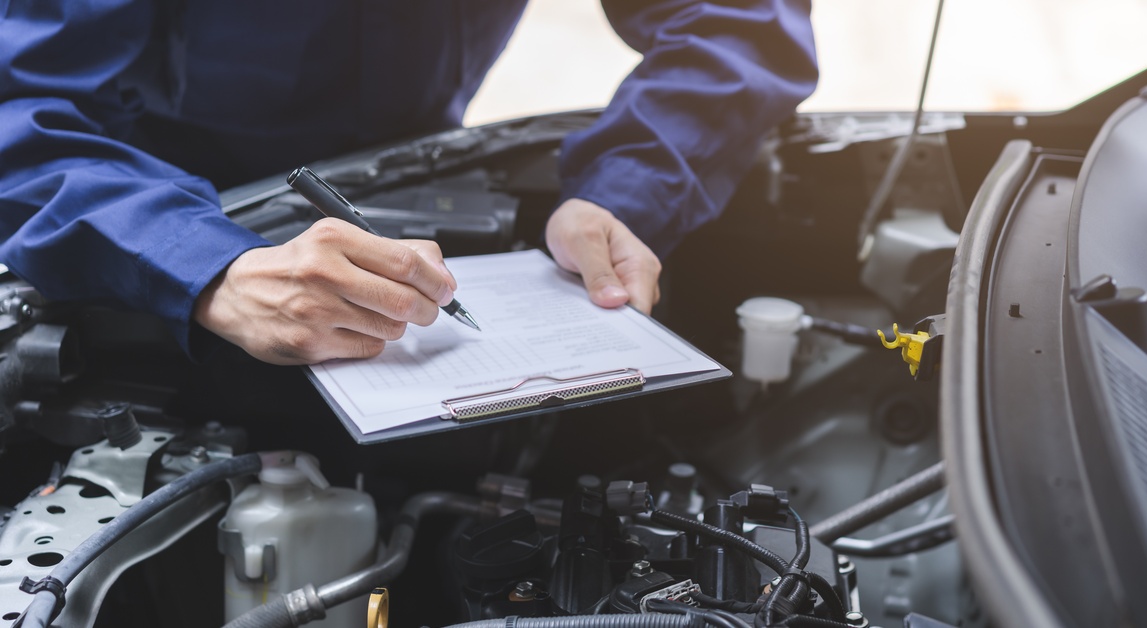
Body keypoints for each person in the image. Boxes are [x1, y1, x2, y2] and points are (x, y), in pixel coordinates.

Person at [0, 1, 817, 366]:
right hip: (149, 230)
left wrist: (623, 190)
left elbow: (737, 15)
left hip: (401, 208)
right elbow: (19, 108)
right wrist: (209, 267)